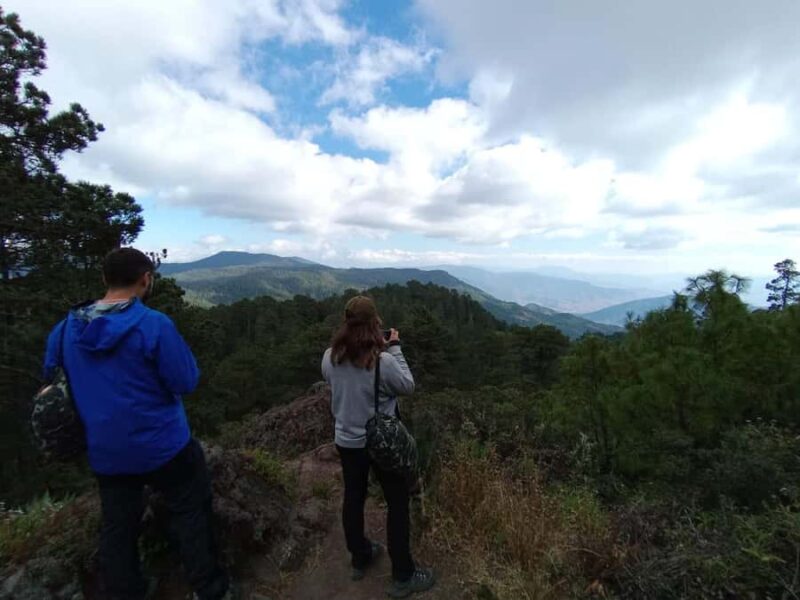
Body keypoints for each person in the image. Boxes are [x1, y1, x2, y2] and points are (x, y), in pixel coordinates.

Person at [43, 248, 231, 600]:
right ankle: (209, 588)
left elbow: (50, 379)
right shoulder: (153, 325)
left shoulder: (65, 329)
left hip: (107, 452)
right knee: (191, 509)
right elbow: (185, 381)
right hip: (165, 446)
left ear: (104, 279)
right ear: (146, 279)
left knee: (118, 529)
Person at [321, 295, 436, 598]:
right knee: (397, 502)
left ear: (346, 323)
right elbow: (408, 386)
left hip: (347, 441)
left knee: (353, 497)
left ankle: (360, 556)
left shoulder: (330, 357)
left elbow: (337, 382)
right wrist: (395, 348)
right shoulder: (382, 361)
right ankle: (403, 575)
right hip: (381, 444)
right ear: (375, 323)